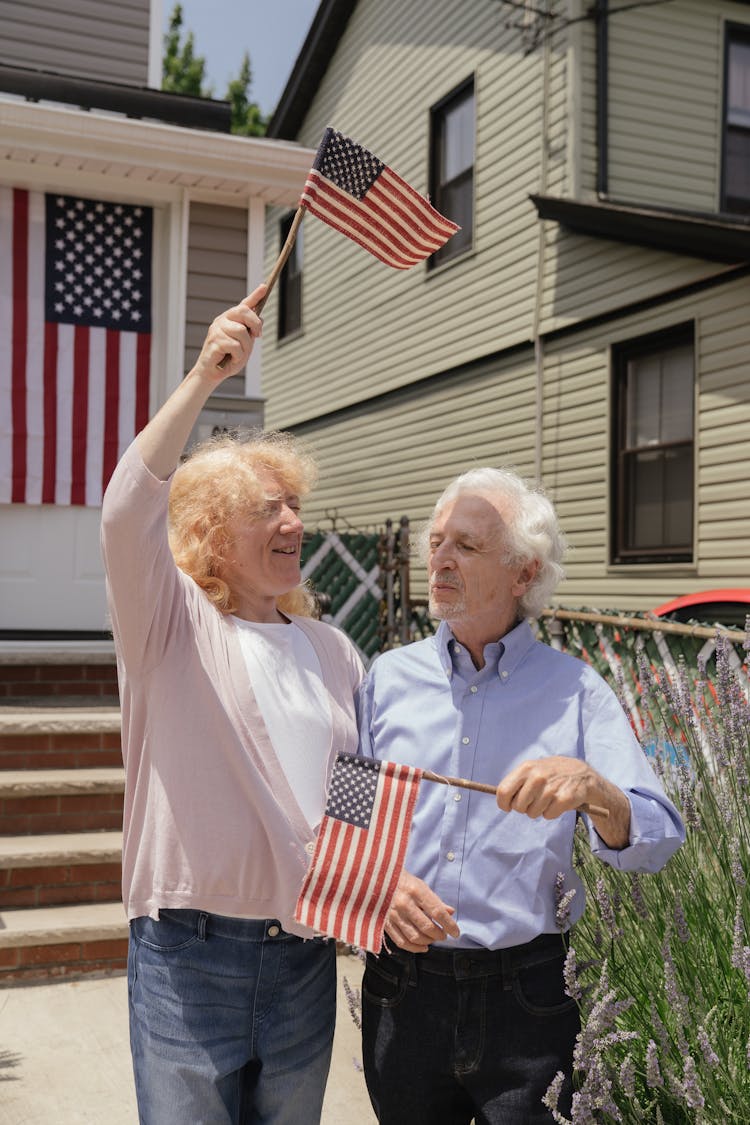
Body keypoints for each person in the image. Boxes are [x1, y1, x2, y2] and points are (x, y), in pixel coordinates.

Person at [100, 284, 363, 1125]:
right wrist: (206, 376)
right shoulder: (169, 624)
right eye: (266, 508)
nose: (292, 522)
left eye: (295, 505)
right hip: (190, 958)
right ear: (211, 531)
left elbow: (353, 788)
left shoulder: (334, 651)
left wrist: (365, 887)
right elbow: (125, 510)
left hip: (305, 961)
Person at [357, 466, 685, 1125]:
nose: (441, 559)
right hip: (403, 988)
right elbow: (346, 821)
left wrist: (596, 791)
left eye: (467, 546)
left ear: (524, 573)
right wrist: (379, 886)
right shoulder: (386, 678)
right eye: (437, 541)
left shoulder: (577, 690)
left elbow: (657, 834)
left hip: (531, 996)